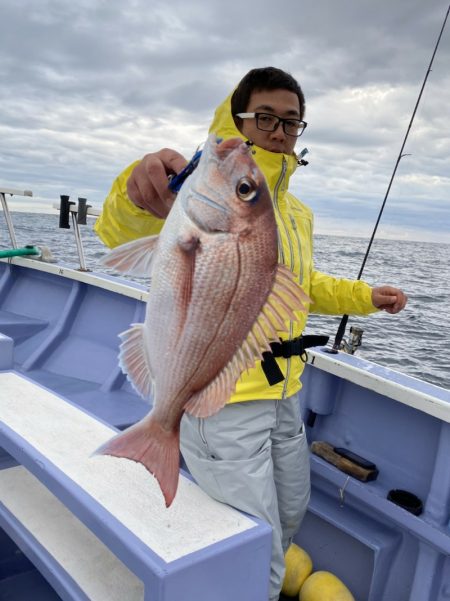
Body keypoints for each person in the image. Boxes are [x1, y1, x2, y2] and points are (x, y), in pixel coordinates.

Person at [95, 67, 407, 601]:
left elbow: (302, 286)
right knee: (250, 541)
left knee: (289, 511)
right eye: (265, 117)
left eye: (291, 121)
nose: (279, 130)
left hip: (285, 392)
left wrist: (365, 298)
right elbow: (119, 230)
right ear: (237, 119)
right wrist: (134, 189)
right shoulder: (194, 189)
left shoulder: (293, 213)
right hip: (225, 401)